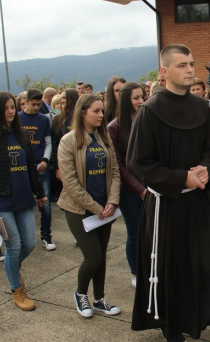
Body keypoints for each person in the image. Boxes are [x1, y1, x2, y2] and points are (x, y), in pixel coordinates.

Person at [127, 44, 210, 342]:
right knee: (174, 269)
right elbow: (138, 163)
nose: (190, 70)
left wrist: (205, 169)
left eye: (192, 64)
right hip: (166, 205)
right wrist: (179, 177)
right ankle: (170, 324)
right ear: (164, 71)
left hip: (198, 200)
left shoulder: (202, 107)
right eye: (182, 65)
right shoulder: (149, 111)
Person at [57, 94, 121, 318]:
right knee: (92, 256)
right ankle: (80, 294)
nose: (101, 115)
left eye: (102, 111)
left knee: (101, 255)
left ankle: (99, 299)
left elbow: (114, 172)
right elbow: (71, 183)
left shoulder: (104, 139)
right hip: (79, 209)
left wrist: (112, 201)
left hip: (105, 208)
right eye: (96, 111)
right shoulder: (68, 141)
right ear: (82, 113)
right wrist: (97, 208)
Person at [0, 91, 47, 310]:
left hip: (24, 198)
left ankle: (12, 266)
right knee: (14, 244)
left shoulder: (19, 134)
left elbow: (31, 168)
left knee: (29, 243)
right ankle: (17, 290)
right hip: (3, 203)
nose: (11, 111)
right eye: (6, 108)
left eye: (13, 107)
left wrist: (40, 193)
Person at [107, 82, 146, 288]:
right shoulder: (114, 127)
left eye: (142, 96)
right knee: (135, 231)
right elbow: (119, 166)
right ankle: (135, 272)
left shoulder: (147, 121)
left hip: (150, 185)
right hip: (129, 190)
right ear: (125, 101)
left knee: (151, 231)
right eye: (136, 98)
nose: (141, 101)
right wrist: (139, 190)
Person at [18, 89, 55, 251]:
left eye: (39, 104)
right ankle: (19, 239)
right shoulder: (17, 119)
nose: (36, 107)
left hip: (41, 166)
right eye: (33, 104)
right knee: (21, 204)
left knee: (45, 204)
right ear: (25, 102)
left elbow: (48, 142)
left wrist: (46, 160)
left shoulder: (43, 120)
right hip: (23, 167)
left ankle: (46, 236)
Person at [52, 89, 79, 183]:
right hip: (64, 160)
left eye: (64, 98)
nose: (61, 101)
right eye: (61, 98)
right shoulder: (57, 119)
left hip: (79, 159)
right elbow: (55, 144)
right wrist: (57, 168)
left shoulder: (81, 117)